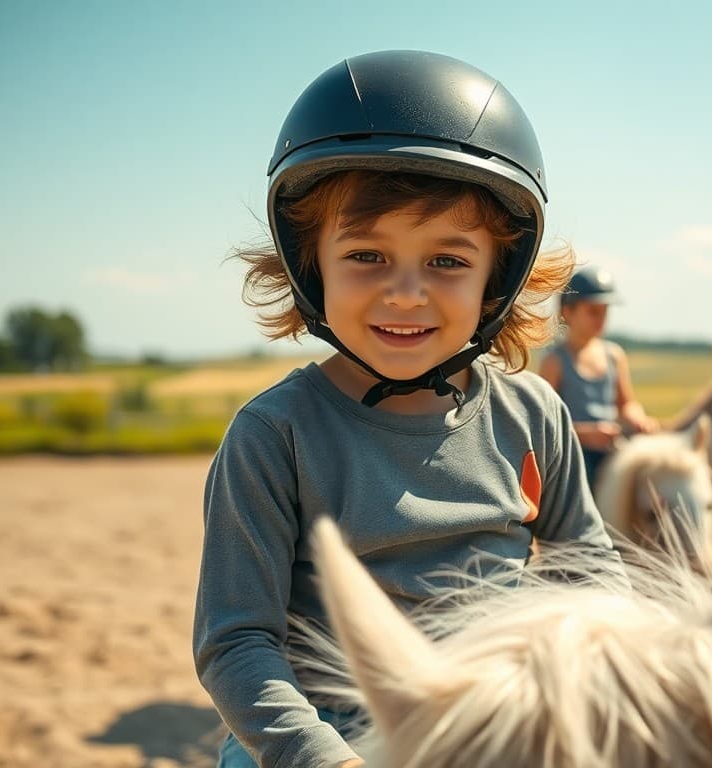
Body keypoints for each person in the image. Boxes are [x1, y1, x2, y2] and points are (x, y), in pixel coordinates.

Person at [193, 50, 621, 768]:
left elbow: (591, 571)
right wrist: (324, 758)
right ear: (309, 265)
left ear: (498, 277)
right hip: (328, 727)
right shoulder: (274, 437)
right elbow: (236, 642)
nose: (405, 293)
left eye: (447, 261)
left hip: (492, 721)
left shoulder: (533, 415)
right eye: (366, 255)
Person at [538, 265, 658, 488]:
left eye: (605, 311)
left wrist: (637, 418)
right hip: (575, 456)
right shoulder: (555, 361)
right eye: (593, 311)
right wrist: (585, 434)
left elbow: (626, 403)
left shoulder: (614, 355)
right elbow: (545, 423)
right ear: (568, 312)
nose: (601, 319)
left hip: (611, 448)